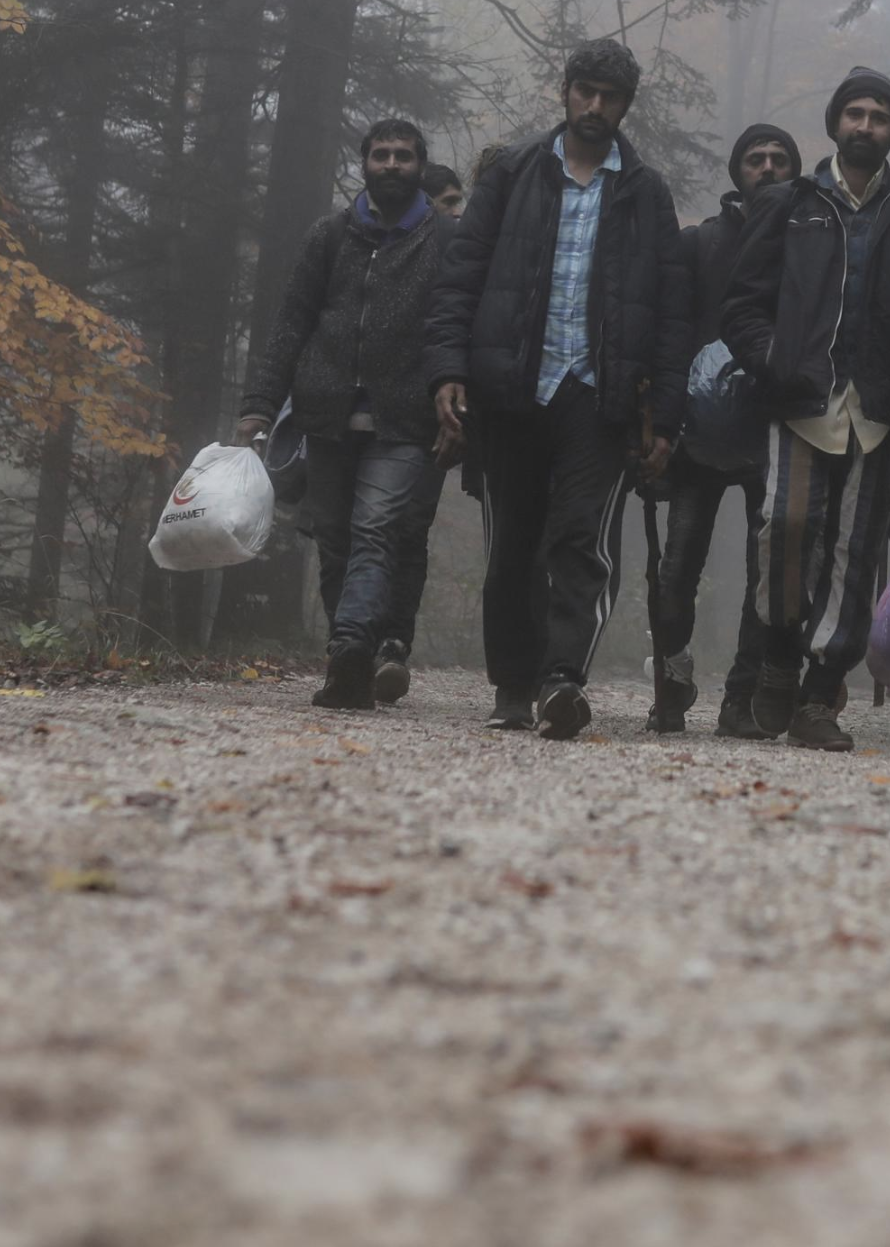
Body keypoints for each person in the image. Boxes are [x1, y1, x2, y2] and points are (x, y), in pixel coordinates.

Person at [425, 39, 689, 739]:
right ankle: (512, 683)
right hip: (510, 386)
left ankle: (562, 681)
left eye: (610, 96)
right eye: (586, 92)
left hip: (598, 398)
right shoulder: (512, 175)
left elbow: (670, 314)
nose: (595, 107)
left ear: (626, 105)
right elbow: (461, 280)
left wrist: (663, 416)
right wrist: (450, 371)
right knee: (511, 544)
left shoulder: (644, 192)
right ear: (565, 91)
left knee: (580, 540)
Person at [721, 67, 890, 751]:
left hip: (881, 412)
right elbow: (741, 306)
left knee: (856, 552)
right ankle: (776, 653)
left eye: (879, 117)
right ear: (834, 124)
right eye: (854, 113)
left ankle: (820, 694)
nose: (865, 125)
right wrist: (777, 358)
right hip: (799, 401)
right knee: (788, 524)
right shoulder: (788, 203)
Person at [237, 118, 450, 710]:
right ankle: (351, 650)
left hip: (405, 420)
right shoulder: (328, 236)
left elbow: (454, 328)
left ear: (419, 165)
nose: (390, 165)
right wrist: (258, 404)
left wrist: (454, 396)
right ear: (365, 162)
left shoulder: (445, 240)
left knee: (375, 529)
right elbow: (292, 323)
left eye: (402, 156)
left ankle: (350, 651)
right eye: (380, 154)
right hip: (324, 415)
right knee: (332, 541)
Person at [648, 122, 801, 737]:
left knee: (767, 570)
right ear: (737, 172)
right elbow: (670, 330)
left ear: (795, 169)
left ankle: (740, 697)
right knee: (679, 562)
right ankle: (674, 675)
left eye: (778, 158)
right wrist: (661, 418)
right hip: (697, 428)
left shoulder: (813, 243)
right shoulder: (699, 243)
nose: (766, 168)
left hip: (778, 426)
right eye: (755, 159)